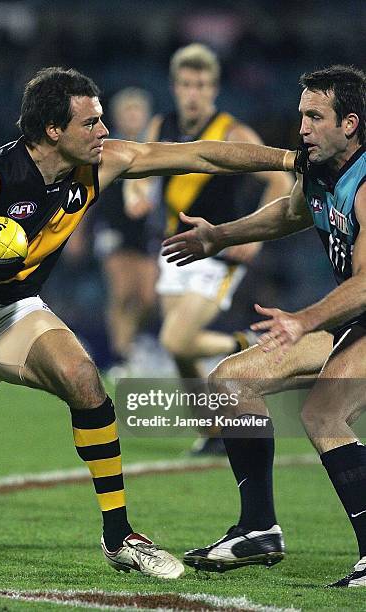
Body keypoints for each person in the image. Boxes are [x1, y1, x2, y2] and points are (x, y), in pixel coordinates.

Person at [0, 66, 297, 578]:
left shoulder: (103, 163)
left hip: (14, 307)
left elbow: (201, 153)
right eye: (92, 122)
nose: (104, 131)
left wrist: (293, 158)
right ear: (54, 130)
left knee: (84, 380)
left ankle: (119, 536)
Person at [162, 65, 366, 587]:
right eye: (301, 114)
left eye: (315, 116)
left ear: (350, 123)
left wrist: (305, 319)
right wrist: (218, 237)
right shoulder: (320, 172)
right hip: (354, 322)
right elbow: (288, 214)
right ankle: (257, 529)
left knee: (323, 413)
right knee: (230, 382)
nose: (302, 127)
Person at [128, 44, 293, 455]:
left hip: (217, 254)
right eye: (186, 84)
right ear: (174, 86)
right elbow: (136, 169)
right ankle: (213, 432)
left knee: (176, 341)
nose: (193, 93)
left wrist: (252, 236)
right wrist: (136, 193)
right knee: (182, 357)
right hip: (173, 250)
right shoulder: (160, 123)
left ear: (214, 88)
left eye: (201, 85)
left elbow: (280, 182)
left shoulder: (232, 132)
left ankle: (242, 346)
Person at [79, 87, 159, 372]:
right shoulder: (103, 149)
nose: (133, 116)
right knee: (123, 292)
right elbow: (86, 190)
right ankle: (121, 354)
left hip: (146, 230)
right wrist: (79, 231)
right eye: (128, 111)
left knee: (148, 298)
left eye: (138, 110)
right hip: (112, 226)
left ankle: (133, 343)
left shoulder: (153, 149)